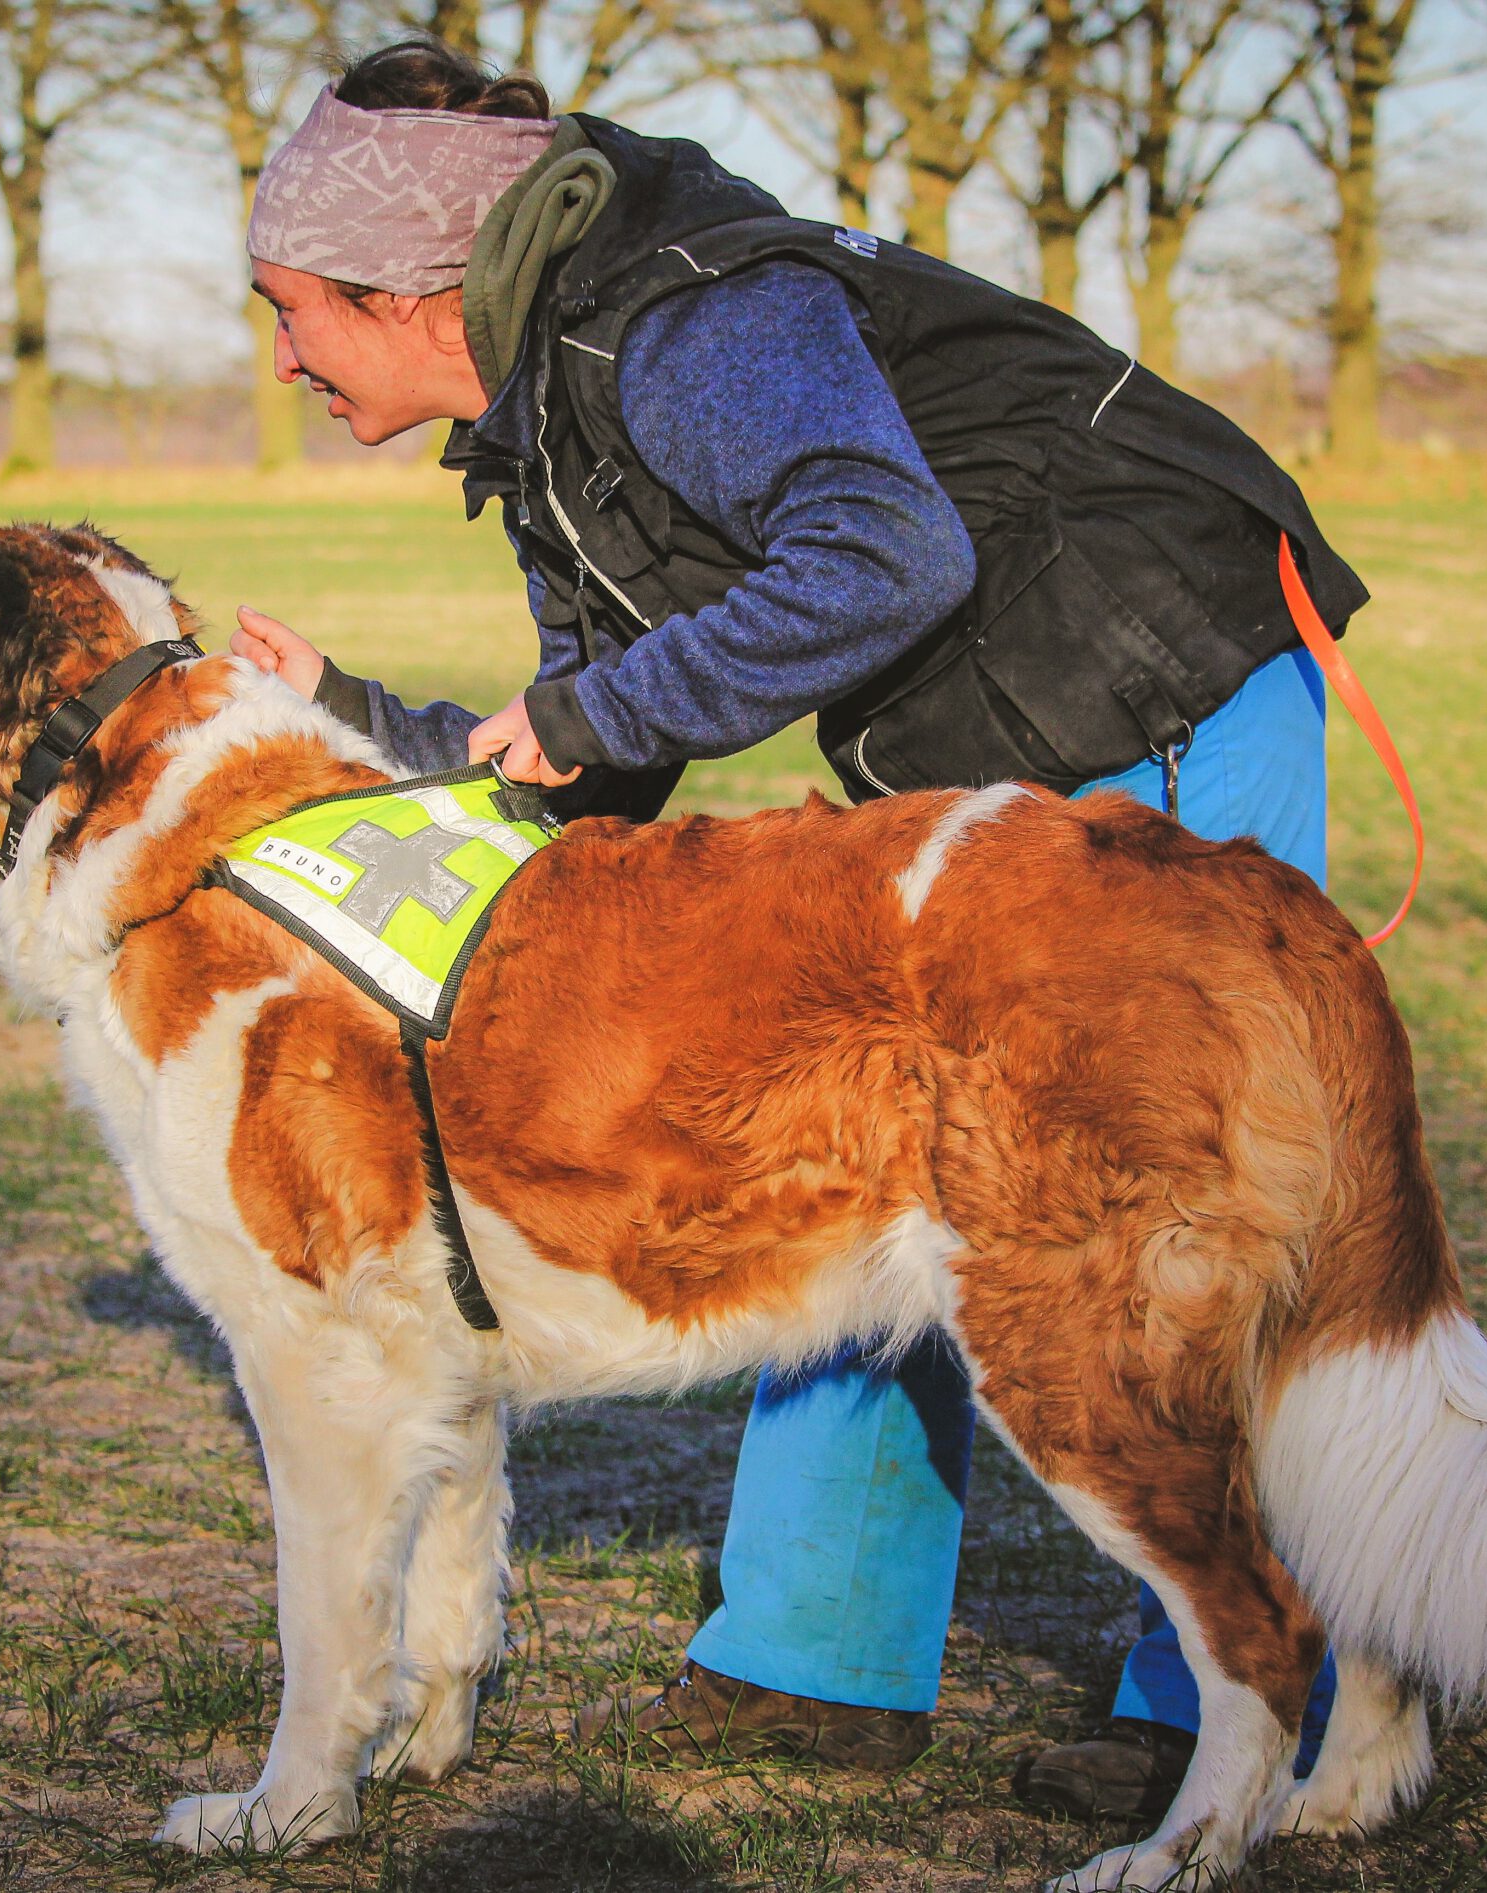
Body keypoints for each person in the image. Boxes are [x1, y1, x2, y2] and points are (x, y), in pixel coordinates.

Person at [227, 36, 1362, 1821]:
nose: (282, 358)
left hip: (1151, 675)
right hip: (978, 771)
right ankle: (816, 1656)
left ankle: (1234, 1691)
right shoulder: (536, 422)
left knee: (1153, 1234)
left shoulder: (685, 317)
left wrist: (597, 711)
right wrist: (355, 724)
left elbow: (885, 553)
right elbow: (599, 753)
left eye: (292, 311)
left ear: (408, 292)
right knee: (846, 1169)